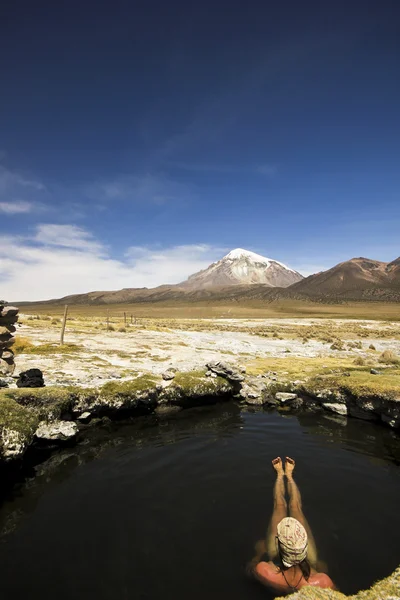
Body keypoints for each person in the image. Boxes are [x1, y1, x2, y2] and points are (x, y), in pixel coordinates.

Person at [247, 456, 336, 596]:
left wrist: (258, 554)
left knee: (279, 506)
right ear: (304, 544)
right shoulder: (322, 582)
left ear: (280, 544)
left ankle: (280, 475)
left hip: (279, 563)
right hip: (309, 562)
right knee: (296, 507)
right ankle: (289, 476)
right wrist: (321, 569)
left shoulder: (264, 571)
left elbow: (249, 571)